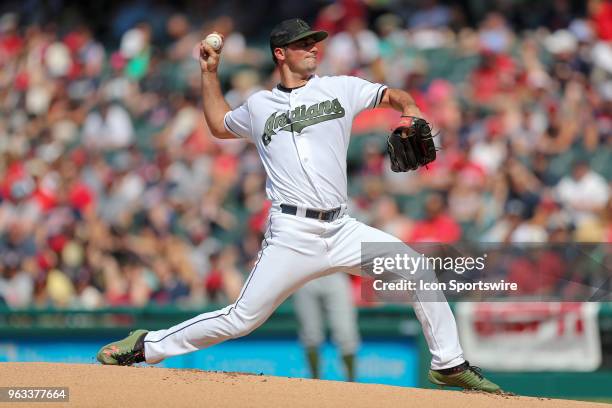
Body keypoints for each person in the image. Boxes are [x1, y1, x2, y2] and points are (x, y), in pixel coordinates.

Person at [97, 18, 500, 393]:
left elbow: (391, 94)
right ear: (280, 53)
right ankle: (145, 345)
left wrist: (410, 109)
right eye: (303, 44)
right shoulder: (258, 106)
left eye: (314, 43)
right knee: (241, 319)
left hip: (342, 228)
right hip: (292, 234)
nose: (313, 48)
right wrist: (209, 73)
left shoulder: (339, 87)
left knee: (416, 268)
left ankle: (448, 362)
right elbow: (220, 125)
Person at [293, 273, 359, 381]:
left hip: (335, 273)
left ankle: (352, 382)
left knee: (345, 333)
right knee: (310, 334)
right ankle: (315, 380)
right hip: (305, 274)